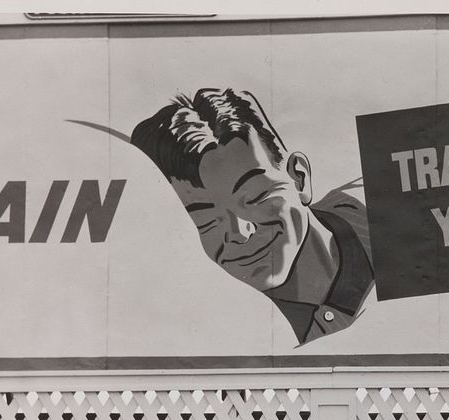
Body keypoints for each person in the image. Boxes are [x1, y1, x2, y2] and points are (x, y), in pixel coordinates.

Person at [131, 88, 373, 346]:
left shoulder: (384, 212)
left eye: (256, 197)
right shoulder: (218, 333)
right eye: (206, 221)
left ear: (299, 178)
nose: (239, 232)